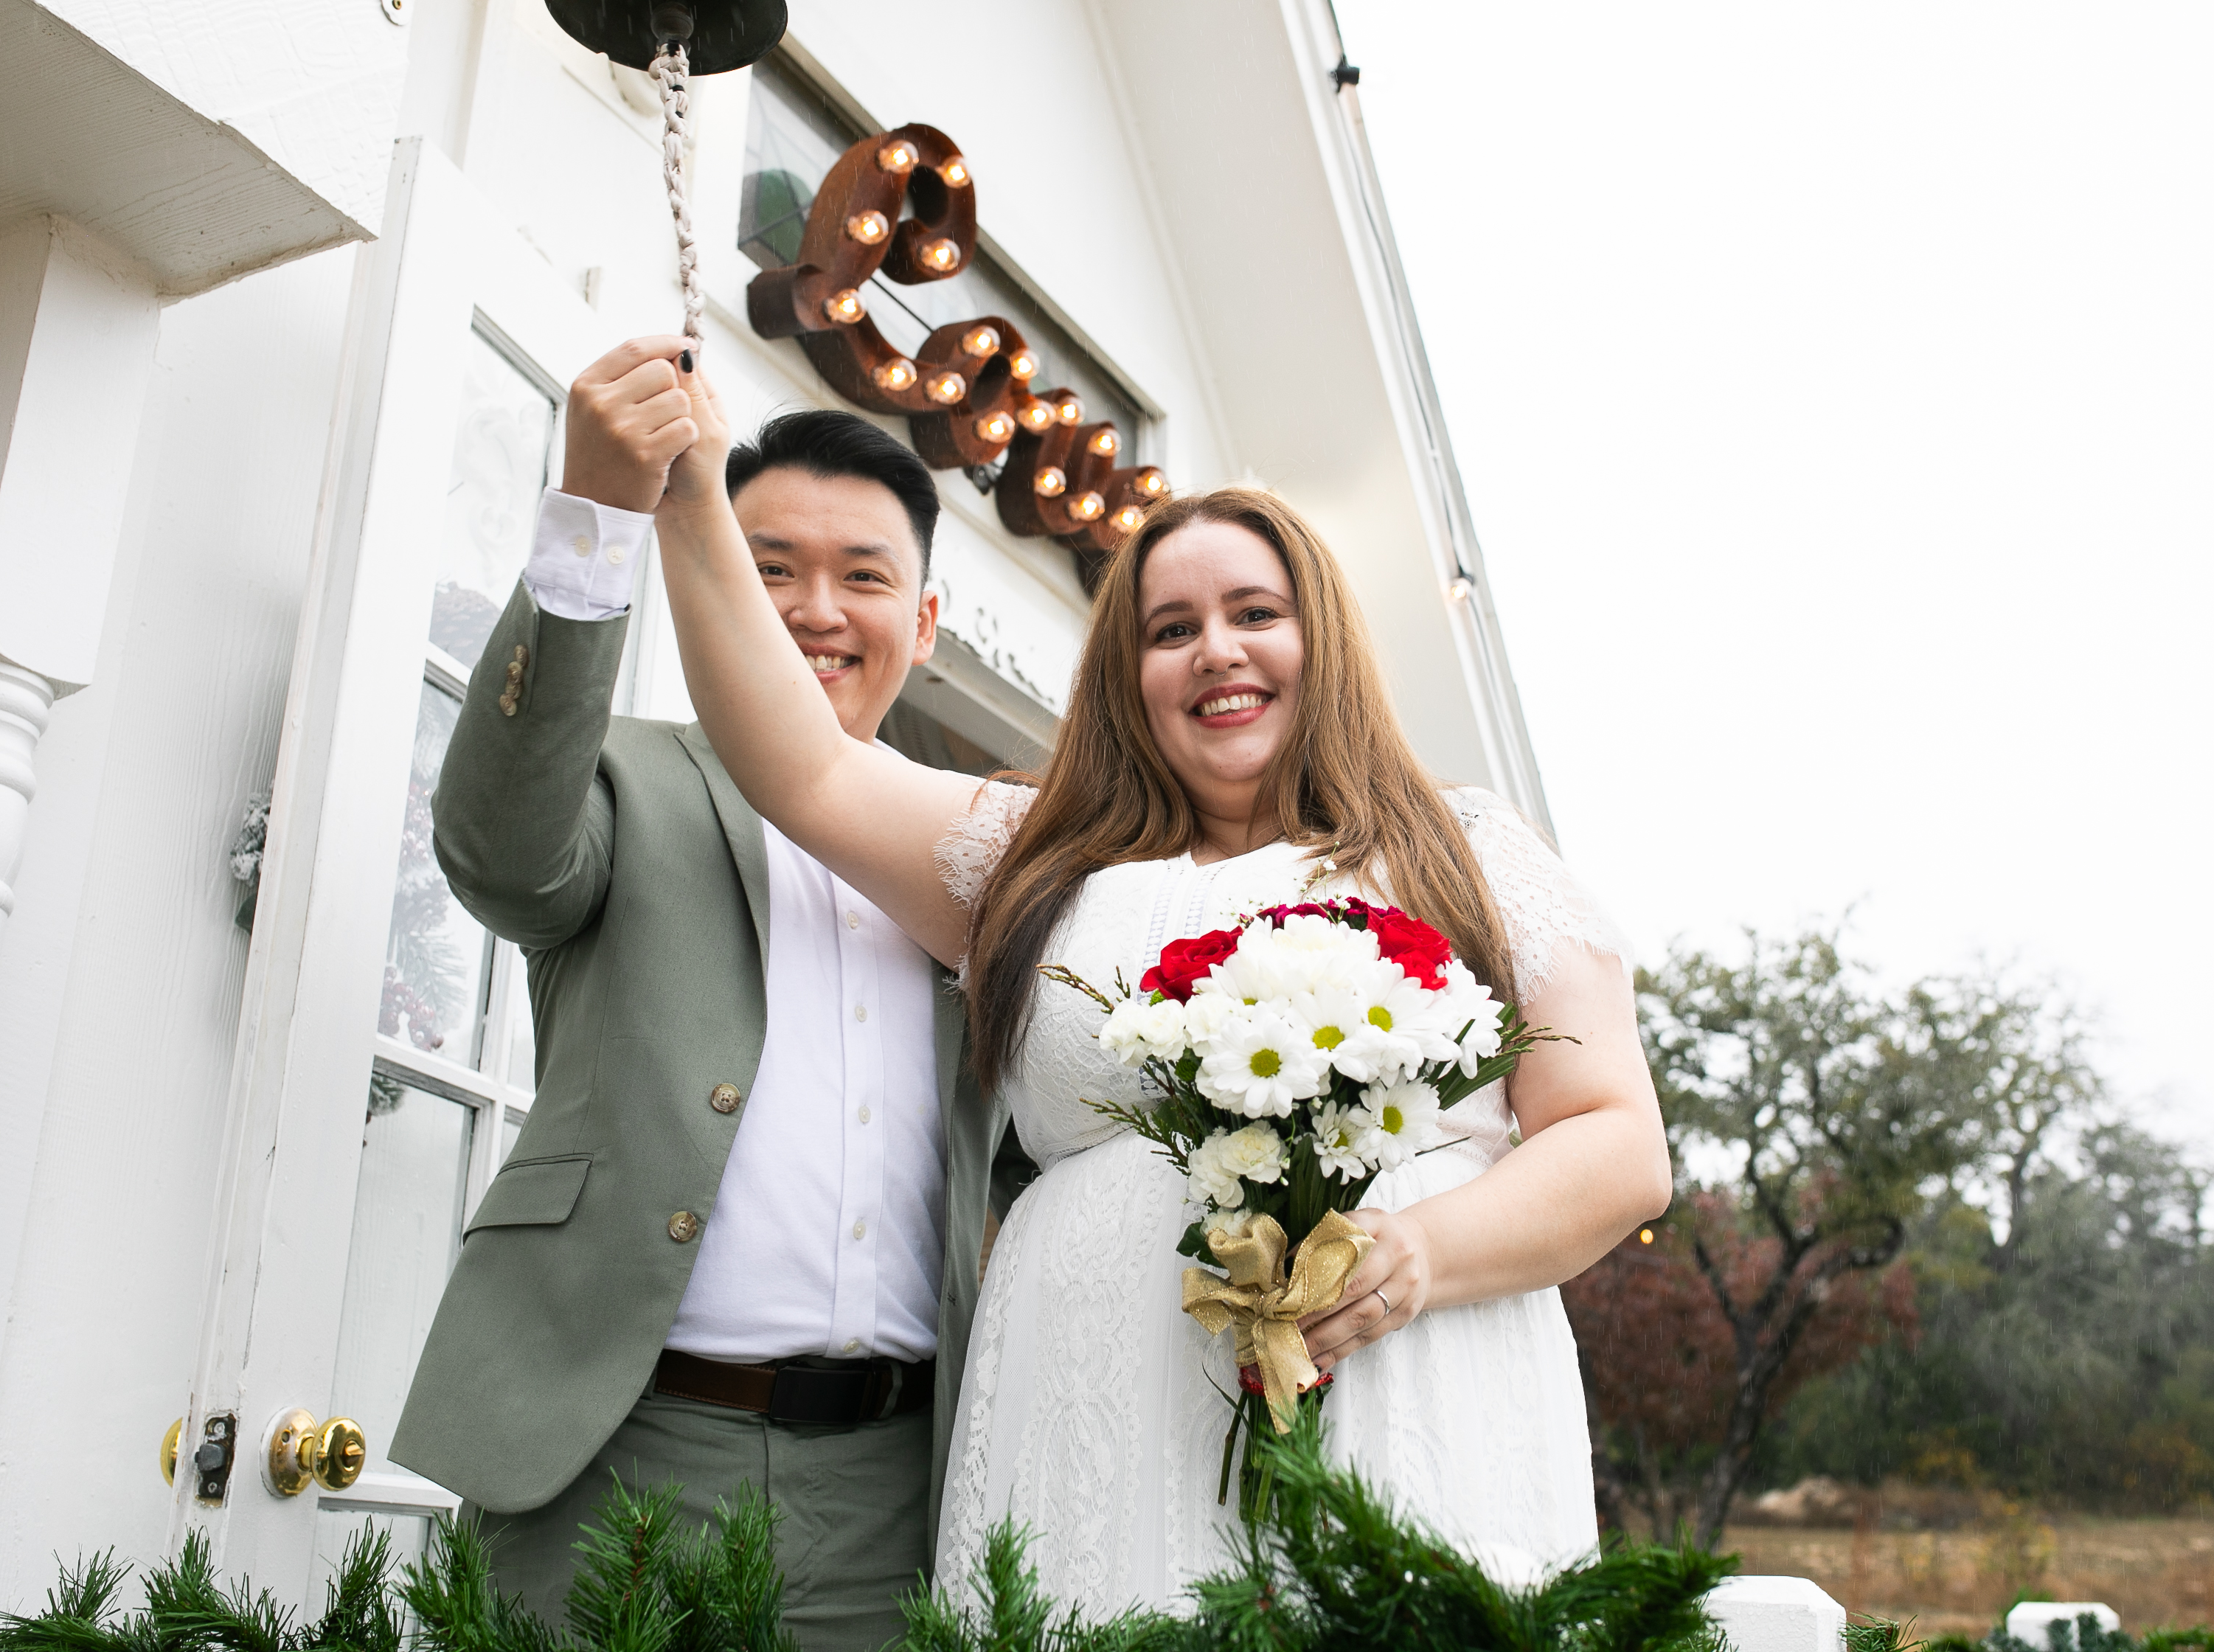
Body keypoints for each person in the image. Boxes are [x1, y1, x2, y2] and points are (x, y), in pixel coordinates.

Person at [634, 341, 1672, 1612]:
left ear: (1322, 638)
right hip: (1086, 1432)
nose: (1214, 653)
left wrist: (1419, 1253)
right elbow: (805, 767)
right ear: (1129, 678)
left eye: (1254, 614)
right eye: (1169, 630)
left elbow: (1619, 1145)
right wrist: (688, 496)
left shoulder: (1463, 851)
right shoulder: (1035, 866)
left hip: (1409, 1403)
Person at [387, 346, 1027, 1652]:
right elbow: (499, 848)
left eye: (863, 578)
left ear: (927, 619)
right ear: (714, 576)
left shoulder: (987, 857)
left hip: (896, 1484)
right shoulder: (618, 779)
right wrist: (594, 515)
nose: (814, 608)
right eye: (771, 566)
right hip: (613, 1450)